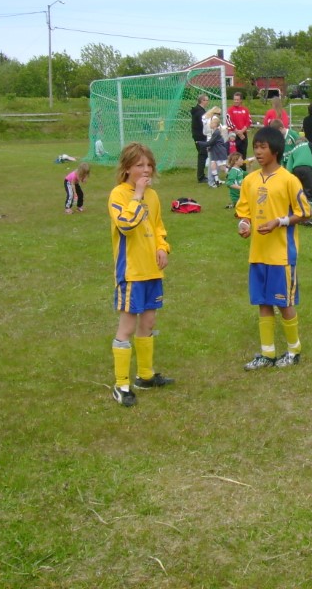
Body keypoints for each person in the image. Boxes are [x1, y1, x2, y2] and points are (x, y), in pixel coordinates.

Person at [235, 126, 312, 370]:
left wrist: (279, 222)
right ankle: (267, 354)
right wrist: (244, 224)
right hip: (258, 253)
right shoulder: (249, 180)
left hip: (281, 254)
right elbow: (244, 211)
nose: (258, 152)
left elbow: (305, 212)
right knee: (263, 302)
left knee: (284, 303)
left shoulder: (289, 180)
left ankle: (293, 351)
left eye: (263, 147)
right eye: (255, 147)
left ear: (276, 150)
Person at [107, 143, 174, 407]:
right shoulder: (119, 194)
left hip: (151, 271)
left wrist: (162, 247)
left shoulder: (153, 196)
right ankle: (121, 384)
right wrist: (137, 194)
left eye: (149, 165)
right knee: (127, 326)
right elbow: (126, 224)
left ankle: (145, 376)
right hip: (131, 272)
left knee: (148, 322)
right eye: (139, 165)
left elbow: (158, 227)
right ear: (126, 168)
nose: (146, 170)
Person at [205, 114, 229, 187]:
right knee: (214, 164)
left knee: (221, 166)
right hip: (215, 149)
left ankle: (234, 175)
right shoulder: (214, 130)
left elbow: (212, 141)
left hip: (218, 150)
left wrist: (205, 145)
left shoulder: (216, 132)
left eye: (212, 123)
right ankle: (215, 180)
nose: (210, 124)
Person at [190, 92, 210, 183]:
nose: (208, 102)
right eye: (206, 100)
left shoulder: (199, 111)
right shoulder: (200, 112)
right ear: (202, 101)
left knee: (203, 155)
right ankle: (201, 177)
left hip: (199, 136)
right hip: (200, 137)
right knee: (202, 155)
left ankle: (202, 175)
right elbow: (204, 125)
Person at [227, 91, 252, 156]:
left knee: (243, 155)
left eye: (237, 100)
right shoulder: (230, 110)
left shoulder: (245, 110)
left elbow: (249, 121)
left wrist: (242, 131)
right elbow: (229, 121)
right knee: (233, 156)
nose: (236, 101)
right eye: (234, 99)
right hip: (233, 135)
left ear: (241, 100)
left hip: (243, 135)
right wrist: (238, 132)